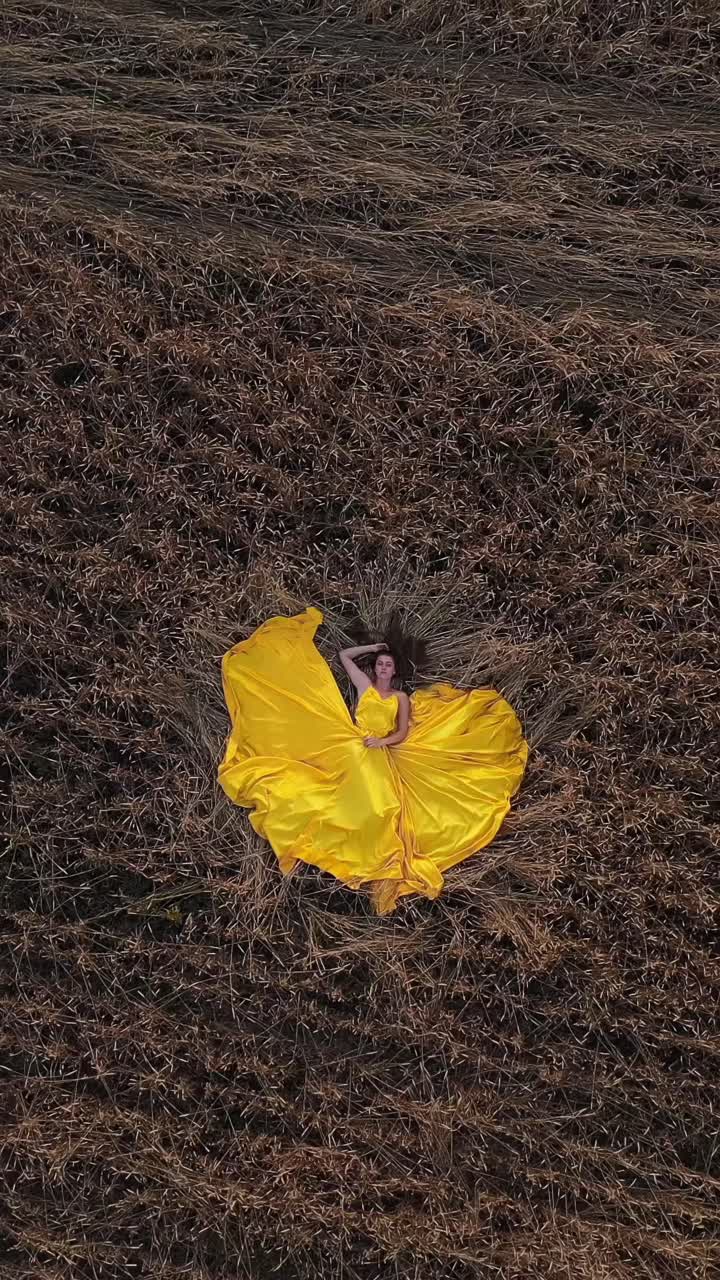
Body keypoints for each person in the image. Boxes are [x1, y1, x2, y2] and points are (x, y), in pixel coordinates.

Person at [218, 607, 528, 914]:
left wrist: (383, 741)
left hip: (378, 750)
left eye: (387, 665)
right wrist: (372, 648)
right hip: (352, 743)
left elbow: (403, 732)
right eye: (379, 664)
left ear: (393, 672)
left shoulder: (400, 698)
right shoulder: (364, 687)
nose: (382, 668)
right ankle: (348, 843)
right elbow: (344, 658)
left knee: (383, 806)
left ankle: (374, 857)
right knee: (325, 781)